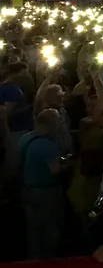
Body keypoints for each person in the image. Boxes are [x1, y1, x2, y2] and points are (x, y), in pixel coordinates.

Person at [21, 108, 71, 259]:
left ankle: (33, 262)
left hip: (28, 189)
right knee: (50, 231)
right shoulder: (47, 145)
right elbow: (54, 169)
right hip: (47, 192)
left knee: (33, 231)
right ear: (52, 125)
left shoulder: (25, 139)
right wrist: (69, 165)